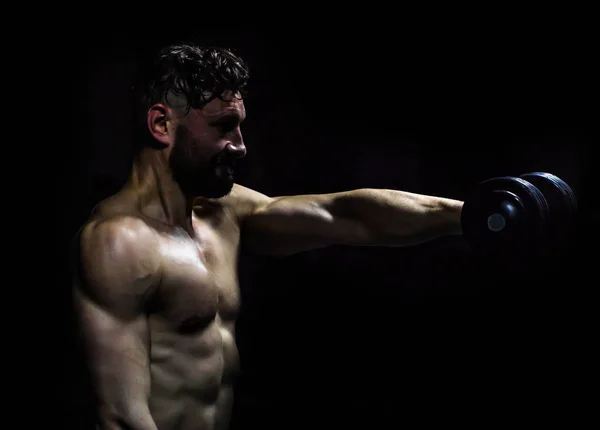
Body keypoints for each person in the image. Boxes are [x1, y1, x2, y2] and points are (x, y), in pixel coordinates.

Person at [72, 43, 464, 430]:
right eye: (223, 126)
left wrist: (470, 214)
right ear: (161, 125)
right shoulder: (119, 242)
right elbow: (121, 418)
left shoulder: (224, 212)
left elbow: (346, 215)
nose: (240, 146)